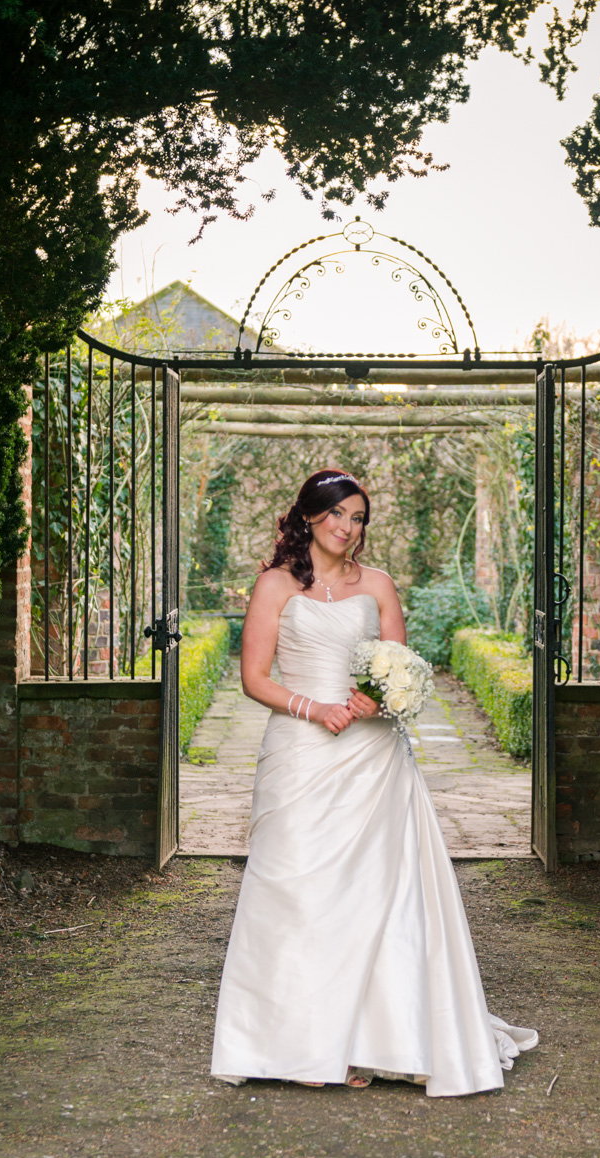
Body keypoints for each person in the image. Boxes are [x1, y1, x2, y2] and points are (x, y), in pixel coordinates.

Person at [210, 469, 537, 1095]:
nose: (347, 527)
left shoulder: (379, 586)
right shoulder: (275, 585)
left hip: (373, 760)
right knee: (296, 889)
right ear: (308, 517)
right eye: (337, 514)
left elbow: (399, 671)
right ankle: (296, 1045)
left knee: (375, 897)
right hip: (301, 754)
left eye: (358, 517)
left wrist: (376, 701)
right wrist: (315, 709)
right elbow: (255, 678)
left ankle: (367, 1041)